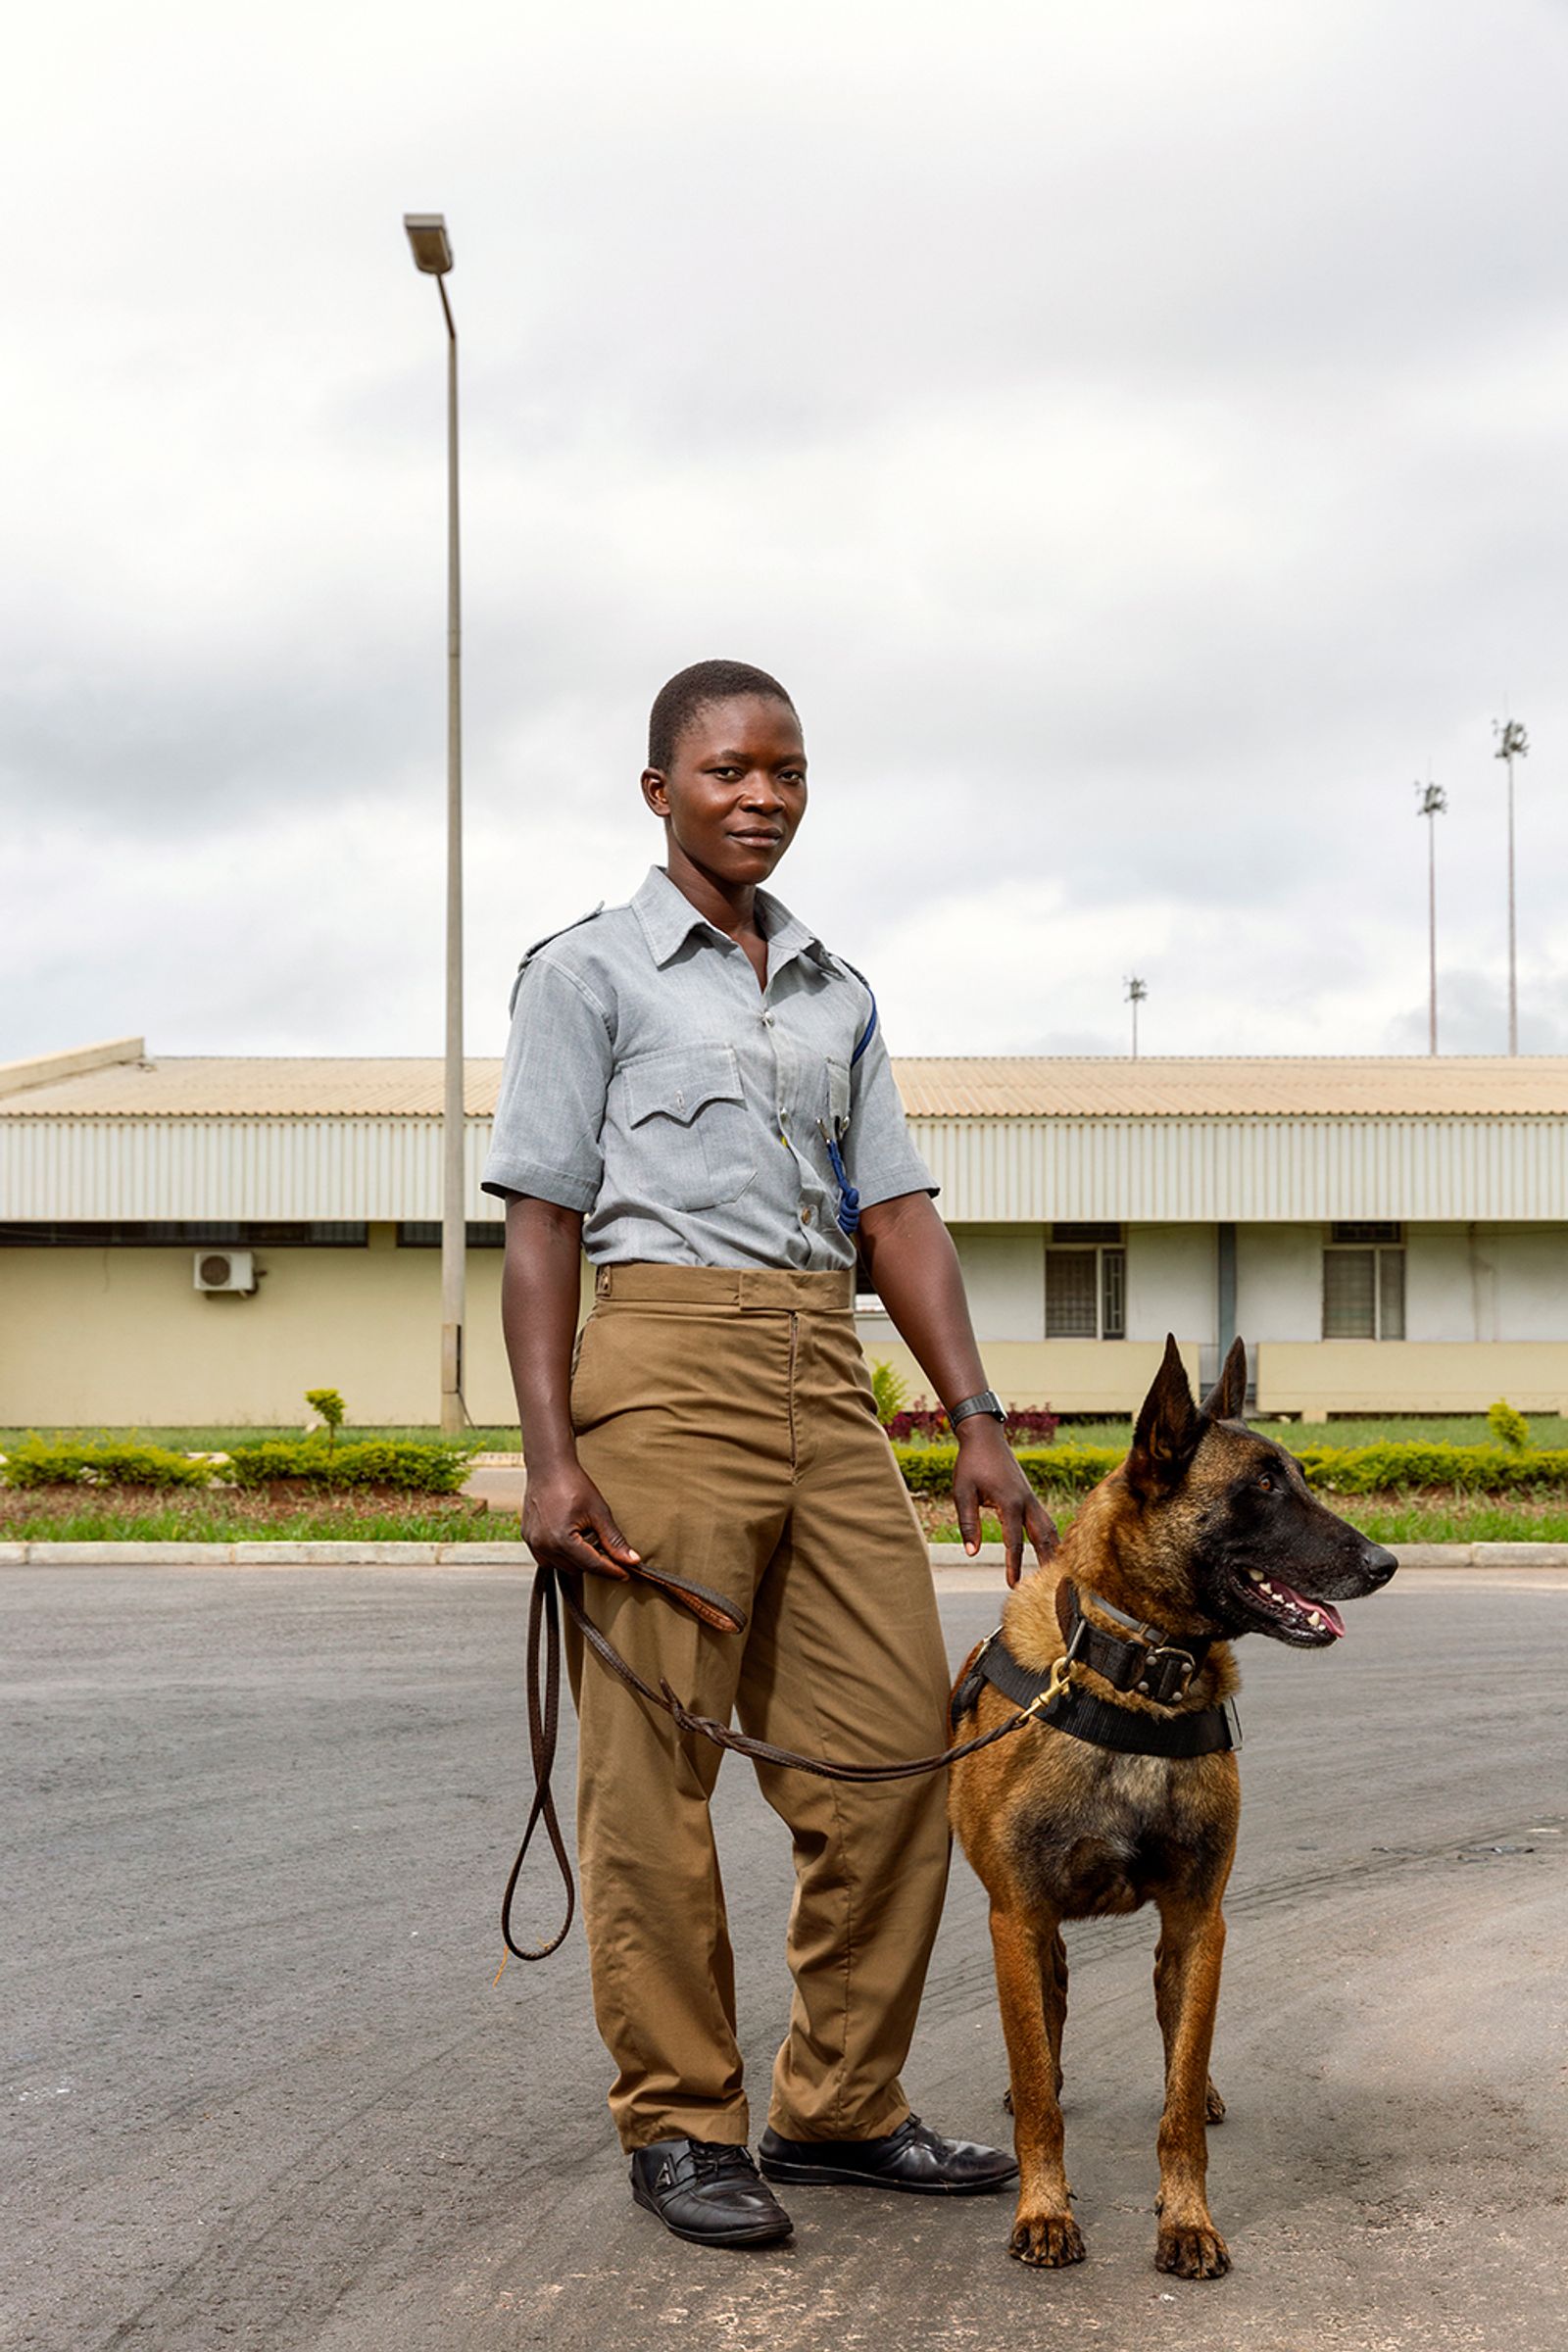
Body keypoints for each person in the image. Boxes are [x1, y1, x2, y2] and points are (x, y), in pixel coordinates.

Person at [484, 660, 1055, 2250]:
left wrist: (977, 1420)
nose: (764, 796)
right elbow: (539, 1219)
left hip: (827, 1368)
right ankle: (681, 2121)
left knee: (895, 1755)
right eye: (731, 769)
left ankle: (838, 2109)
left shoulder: (837, 989)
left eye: (788, 772)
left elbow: (899, 1216)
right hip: (662, 1367)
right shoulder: (585, 975)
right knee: (653, 1779)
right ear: (659, 789)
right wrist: (551, 1455)